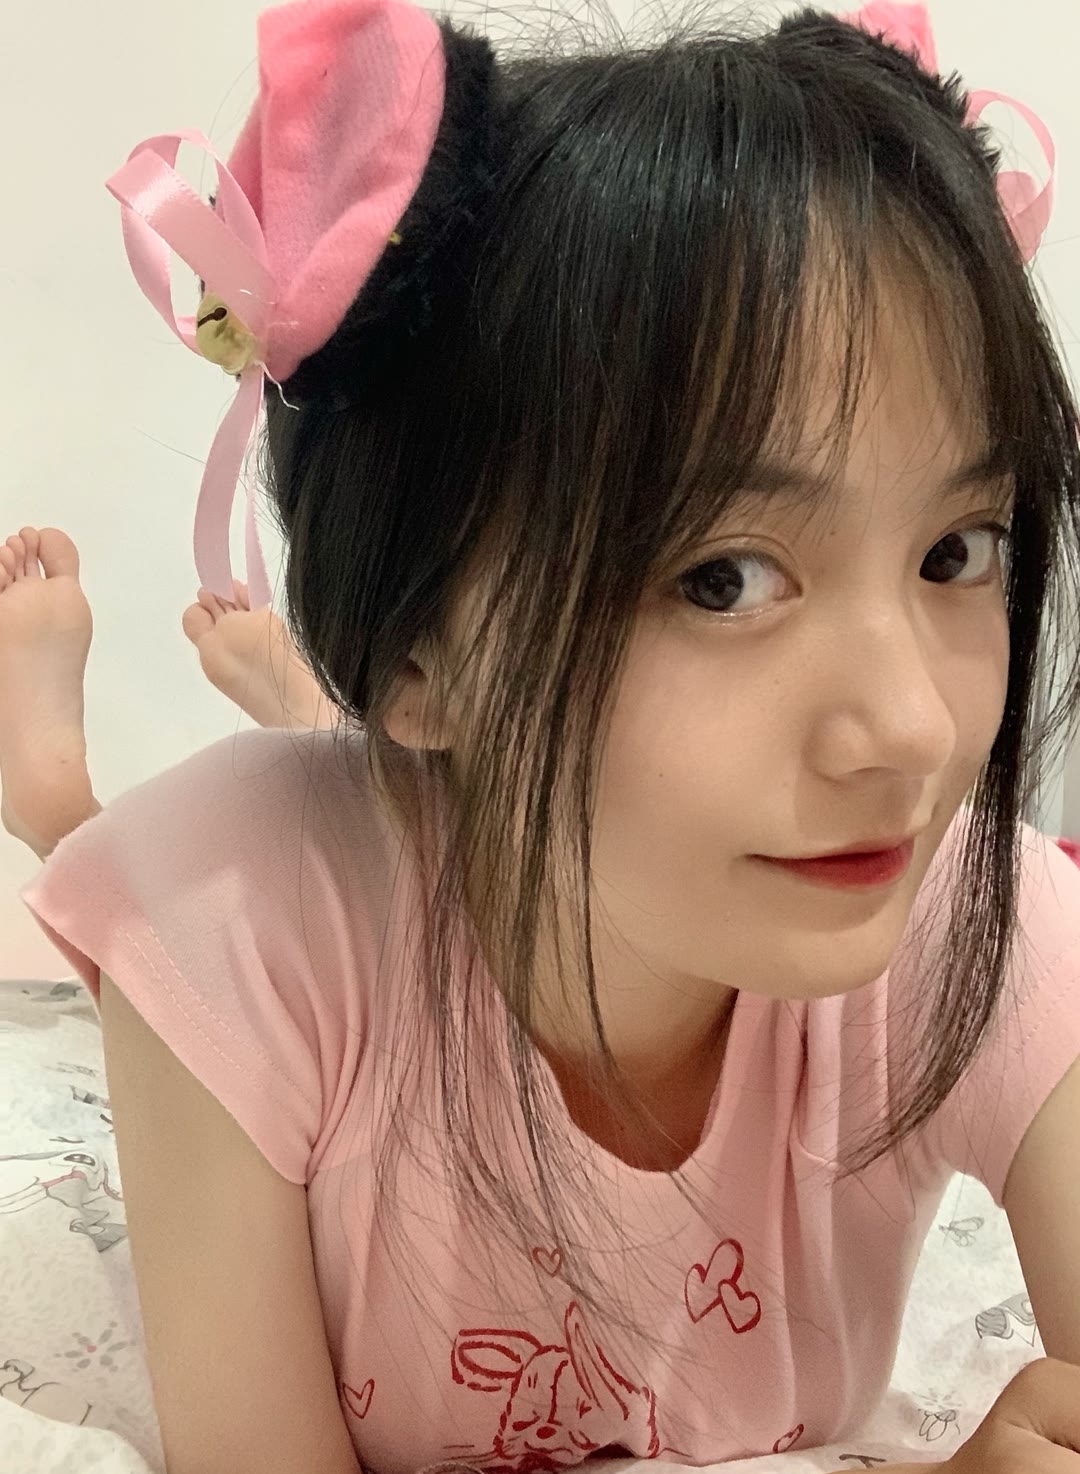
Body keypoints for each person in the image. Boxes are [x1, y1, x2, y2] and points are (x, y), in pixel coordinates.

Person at [4, 0, 1080, 1470]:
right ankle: (58, 791)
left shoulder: (974, 911)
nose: (911, 729)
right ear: (414, 645)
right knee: (191, 857)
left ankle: (281, 713)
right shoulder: (226, 923)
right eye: (725, 579)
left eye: (958, 551)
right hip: (302, 855)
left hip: (438, 766)